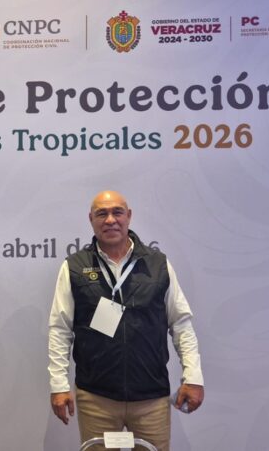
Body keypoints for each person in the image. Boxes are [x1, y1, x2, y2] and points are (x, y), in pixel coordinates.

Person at [48, 190, 204, 451]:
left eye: (117, 212)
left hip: (151, 398)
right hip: (95, 397)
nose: (110, 220)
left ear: (128, 216)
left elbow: (181, 324)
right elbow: (60, 330)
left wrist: (194, 377)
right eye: (102, 214)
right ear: (91, 219)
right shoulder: (74, 267)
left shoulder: (158, 264)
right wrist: (58, 386)